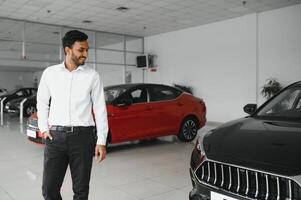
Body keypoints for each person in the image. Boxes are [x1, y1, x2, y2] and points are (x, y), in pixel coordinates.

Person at [37, 30, 108, 200]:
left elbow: (100, 109)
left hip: (83, 138)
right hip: (55, 138)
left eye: (87, 50)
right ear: (68, 50)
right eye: (81, 50)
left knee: (81, 191)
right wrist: (44, 128)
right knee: (49, 189)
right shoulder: (50, 73)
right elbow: (42, 102)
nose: (85, 54)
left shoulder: (92, 76)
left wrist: (101, 141)